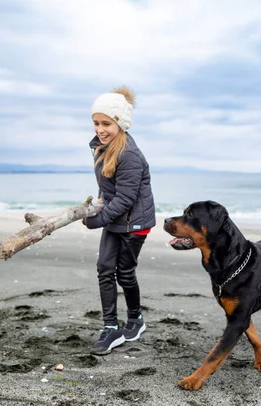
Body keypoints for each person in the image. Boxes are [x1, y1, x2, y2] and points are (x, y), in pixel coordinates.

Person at [83, 86, 156, 355]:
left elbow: (126, 199)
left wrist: (97, 220)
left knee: (125, 272)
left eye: (106, 123)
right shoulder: (101, 147)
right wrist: (95, 208)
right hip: (116, 217)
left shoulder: (130, 155)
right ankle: (110, 327)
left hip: (135, 222)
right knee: (104, 268)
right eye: (96, 122)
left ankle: (135, 320)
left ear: (120, 124)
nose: (100, 129)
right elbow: (109, 190)